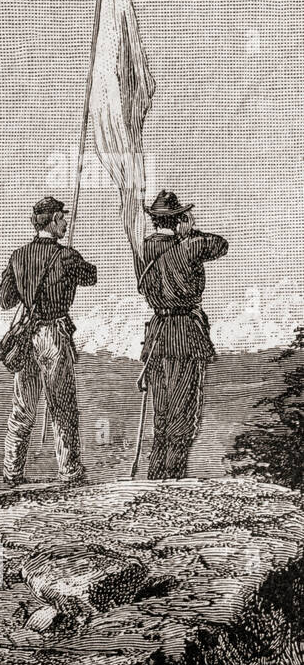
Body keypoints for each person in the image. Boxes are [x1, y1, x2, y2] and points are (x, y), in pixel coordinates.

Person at [0, 196, 97, 486]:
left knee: (23, 407)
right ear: (53, 221)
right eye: (63, 218)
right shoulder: (65, 256)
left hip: (26, 336)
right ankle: (69, 471)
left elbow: (6, 300)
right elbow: (91, 277)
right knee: (62, 405)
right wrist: (70, 260)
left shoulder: (18, 256)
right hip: (53, 335)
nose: (66, 222)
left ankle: (12, 471)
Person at [137, 190, 228, 479]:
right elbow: (221, 245)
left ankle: (155, 478)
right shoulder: (189, 246)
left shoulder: (143, 249)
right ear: (178, 219)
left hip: (157, 336)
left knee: (162, 414)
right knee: (183, 412)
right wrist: (190, 231)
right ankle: (173, 481)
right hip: (185, 335)